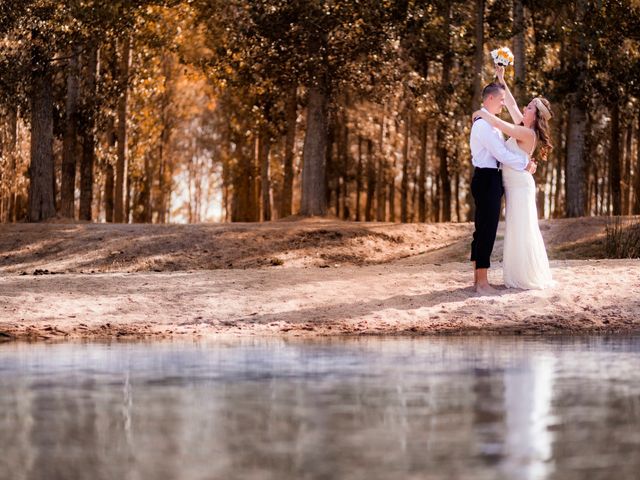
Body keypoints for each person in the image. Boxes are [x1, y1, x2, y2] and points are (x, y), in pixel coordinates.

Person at [472, 65, 554, 290]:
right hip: (512, 183)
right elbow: (510, 104)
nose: (524, 108)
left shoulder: (527, 132)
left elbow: (500, 124)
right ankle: (514, 274)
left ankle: (525, 275)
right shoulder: (522, 124)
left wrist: (482, 113)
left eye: (528, 108)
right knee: (515, 229)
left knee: (522, 228)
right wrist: (501, 78)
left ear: (534, 116)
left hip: (519, 186)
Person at [469, 80, 537, 295]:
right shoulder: (483, 125)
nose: (502, 105)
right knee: (486, 230)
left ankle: (478, 279)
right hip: (487, 178)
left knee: (482, 229)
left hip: (490, 178)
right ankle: (481, 283)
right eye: (500, 101)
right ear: (490, 99)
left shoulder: (489, 123)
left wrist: (502, 77)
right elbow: (501, 154)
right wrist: (525, 164)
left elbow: (511, 107)